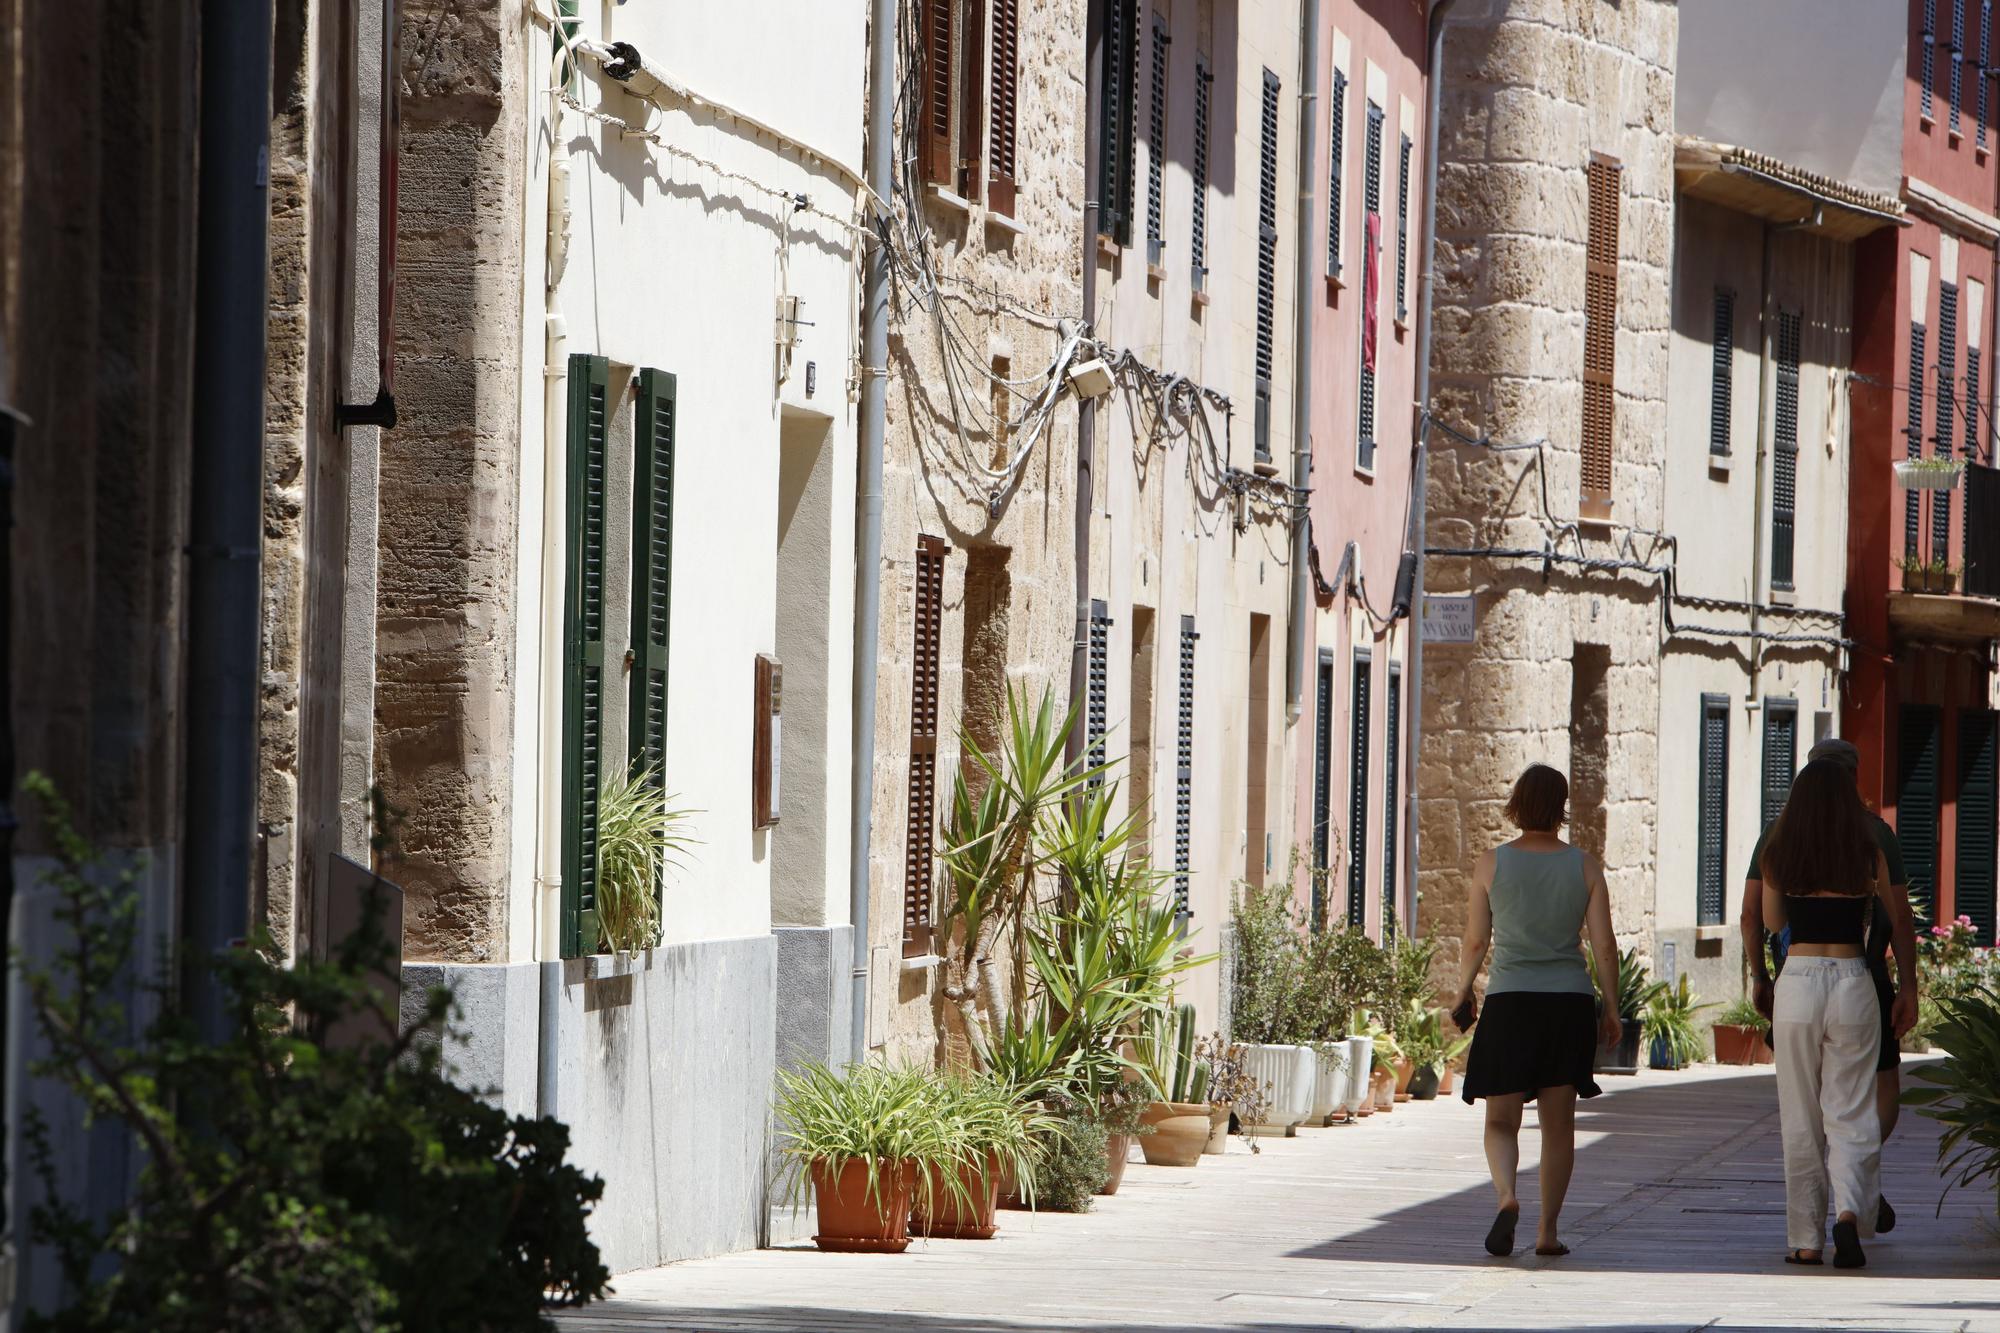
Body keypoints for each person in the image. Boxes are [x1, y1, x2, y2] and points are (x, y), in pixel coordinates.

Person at [1452, 764, 1623, 1260]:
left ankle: (1507, 1196)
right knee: (1558, 1126)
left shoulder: (1491, 863)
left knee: (1500, 1121)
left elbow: (1476, 940)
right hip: (1567, 1004)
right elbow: (1605, 946)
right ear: (1561, 806)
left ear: (1518, 804)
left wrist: (1463, 990)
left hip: (1510, 1002)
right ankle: (1548, 1232)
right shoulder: (1585, 866)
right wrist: (1610, 1006)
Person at [1741, 737, 1911, 1234]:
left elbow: (1768, 921)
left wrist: (1760, 976)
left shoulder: (1778, 848)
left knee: (1800, 1112)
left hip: (1799, 980)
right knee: (1853, 1107)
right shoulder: (1869, 846)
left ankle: (1806, 1238)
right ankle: (1851, 1213)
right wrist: (1908, 985)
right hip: (1855, 979)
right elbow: (1898, 918)